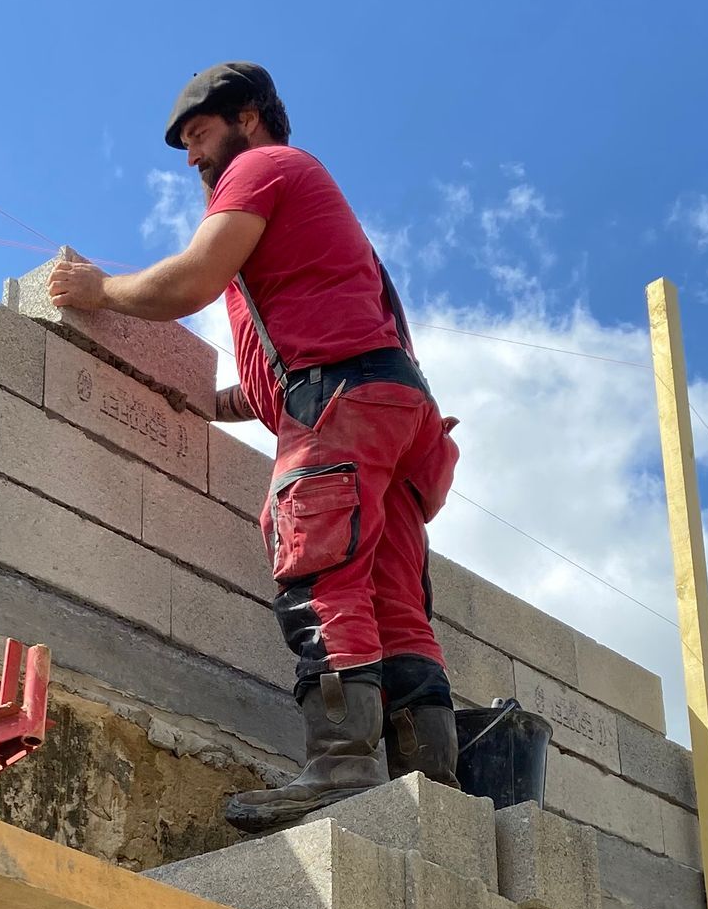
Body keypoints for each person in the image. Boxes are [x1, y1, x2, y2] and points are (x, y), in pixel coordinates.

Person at [47, 62, 459, 834]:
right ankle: (429, 784)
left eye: (200, 134)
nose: (194, 157)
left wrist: (99, 291)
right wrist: (199, 400)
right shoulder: (311, 213)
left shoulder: (264, 168)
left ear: (251, 117)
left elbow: (192, 280)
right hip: (390, 411)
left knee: (315, 555)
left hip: (344, 404)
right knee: (392, 596)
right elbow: (280, 384)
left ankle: (344, 767)